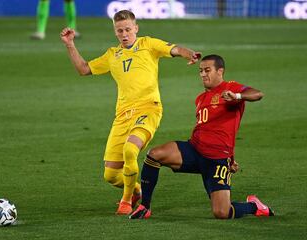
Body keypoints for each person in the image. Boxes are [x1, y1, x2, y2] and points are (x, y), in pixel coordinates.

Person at [60, 10, 201, 215]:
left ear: (136, 28)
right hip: (123, 116)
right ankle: (136, 190)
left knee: (130, 149)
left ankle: (125, 202)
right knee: (110, 174)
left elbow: (175, 49)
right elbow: (83, 69)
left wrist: (190, 53)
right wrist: (70, 44)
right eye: (120, 31)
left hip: (149, 108)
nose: (124, 34)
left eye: (127, 29)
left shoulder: (148, 44)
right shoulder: (112, 55)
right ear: (115, 32)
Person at [130, 54, 274, 220]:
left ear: (220, 71)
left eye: (207, 70)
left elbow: (257, 94)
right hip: (194, 150)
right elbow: (216, 130)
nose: (203, 74)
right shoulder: (200, 99)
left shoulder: (230, 88)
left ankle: (254, 206)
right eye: (200, 71)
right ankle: (145, 206)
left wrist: (238, 96)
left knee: (222, 212)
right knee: (154, 155)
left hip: (217, 160)